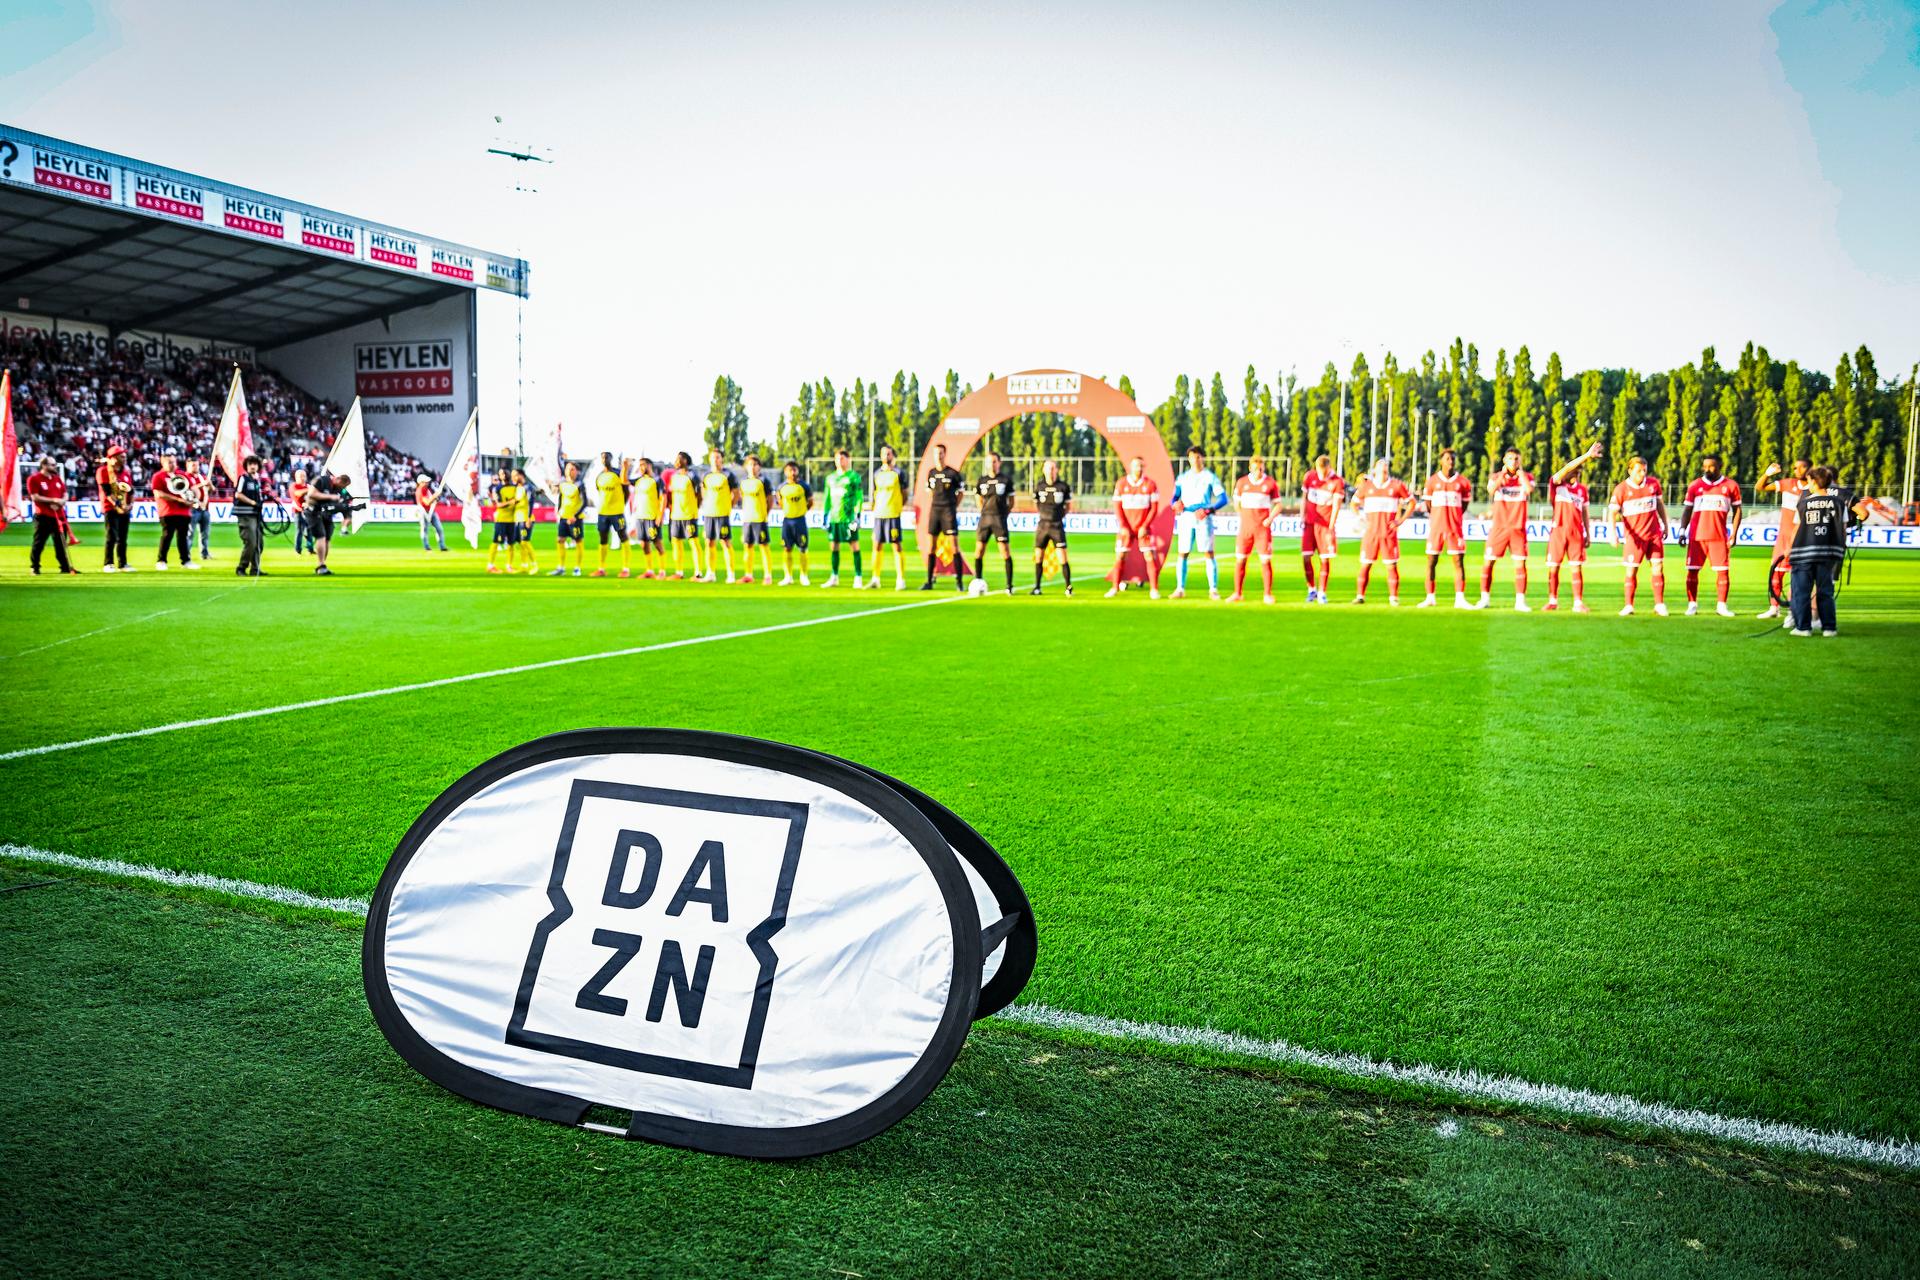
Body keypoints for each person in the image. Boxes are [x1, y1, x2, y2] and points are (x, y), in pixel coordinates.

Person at [1786, 465, 1847, 637]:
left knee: (1801, 591)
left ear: (1813, 481)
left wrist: (1789, 549)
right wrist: (1839, 549)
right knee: (1825, 591)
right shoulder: (1839, 503)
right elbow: (1842, 530)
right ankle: (1829, 628)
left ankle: (1803, 627)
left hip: (1803, 553)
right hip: (1828, 553)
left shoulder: (1803, 503)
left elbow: (1796, 529)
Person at [1679, 452, 1741, 617]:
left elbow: (1737, 510)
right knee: (1692, 571)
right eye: (1705, 466)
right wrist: (1682, 531)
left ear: (1720, 466)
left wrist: (1734, 533)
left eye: (1711, 466)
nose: (1707, 469)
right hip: (1696, 536)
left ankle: (1721, 606)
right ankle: (1692, 605)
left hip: (1719, 536)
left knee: (1723, 571)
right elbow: (1687, 510)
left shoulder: (1731, 486)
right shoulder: (1695, 486)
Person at [1544, 442, 1603, 612]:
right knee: (1554, 566)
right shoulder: (1556, 485)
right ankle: (1553, 601)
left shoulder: (1582, 490)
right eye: (1571, 469)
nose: (1573, 472)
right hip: (1558, 531)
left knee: (1576, 567)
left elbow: (1585, 513)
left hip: (1576, 533)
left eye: (1576, 470)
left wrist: (1588, 534)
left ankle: (1578, 603)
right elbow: (1564, 470)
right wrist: (1587, 456)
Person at [1606, 455, 1669, 617]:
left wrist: (1666, 525)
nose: (1642, 474)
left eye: (1644, 471)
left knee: (1658, 567)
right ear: (1630, 471)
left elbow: (1660, 505)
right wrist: (1612, 533)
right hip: (1634, 538)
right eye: (1639, 471)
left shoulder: (1653, 484)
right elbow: (1612, 513)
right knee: (1631, 570)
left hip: (1654, 535)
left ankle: (1659, 604)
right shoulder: (1621, 489)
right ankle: (1629, 605)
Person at [1352, 457, 1415, 605]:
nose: (1383, 470)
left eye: (1386, 468)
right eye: (1381, 468)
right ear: (1375, 470)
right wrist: (1361, 517)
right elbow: (1354, 503)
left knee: (1391, 565)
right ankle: (1360, 596)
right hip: (1371, 533)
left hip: (1388, 534)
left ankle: (1393, 598)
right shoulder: (1366, 486)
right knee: (1366, 564)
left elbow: (1412, 502)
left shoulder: (1396, 485)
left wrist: (1400, 520)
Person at [1477, 448, 1533, 611]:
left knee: (1520, 564)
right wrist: (1502, 475)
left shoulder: (1526, 477)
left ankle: (1520, 602)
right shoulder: (1496, 477)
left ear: (1520, 461)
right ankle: (1484, 599)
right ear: (1504, 460)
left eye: (1516, 459)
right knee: (1488, 562)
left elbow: (1529, 490)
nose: (1513, 462)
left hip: (1517, 528)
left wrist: (1520, 474)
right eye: (1510, 459)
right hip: (1499, 528)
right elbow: (1491, 490)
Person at [1169, 445, 1227, 600]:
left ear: (1203, 458)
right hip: (1186, 516)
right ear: (1188, 459)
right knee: (1183, 552)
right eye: (1192, 457)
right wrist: (1174, 504)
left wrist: (1209, 510)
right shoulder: (1183, 477)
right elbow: (1174, 497)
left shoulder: (1210, 477)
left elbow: (1223, 498)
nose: (1195, 460)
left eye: (1198, 457)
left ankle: (1213, 589)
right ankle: (1180, 588)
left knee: (1208, 552)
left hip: (1203, 518)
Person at [1417, 448, 1473, 608]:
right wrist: (1437, 516)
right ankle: (1430, 597)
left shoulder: (1463, 482)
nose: (1451, 461)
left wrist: (1454, 517)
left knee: (1458, 562)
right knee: (1431, 561)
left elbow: (1464, 505)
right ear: (1441, 461)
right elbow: (1428, 505)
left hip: (1455, 529)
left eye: (1453, 458)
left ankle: (1460, 599)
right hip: (1436, 528)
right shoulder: (1432, 481)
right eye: (1448, 458)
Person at [1755, 458, 1809, 620]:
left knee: (1797, 576)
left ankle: (1793, 610)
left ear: (1810, 469)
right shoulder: (1787, 483)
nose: (1797, 470)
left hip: (1802, 539)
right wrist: (1767, 474)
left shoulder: (1814, 489)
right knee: (1776, 574)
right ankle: (1774, 607)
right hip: (1784, 537)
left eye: (1801, 467)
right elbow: (1760, 487)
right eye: (1795, 467)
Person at [1105, 455, 1163, 599]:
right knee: (1120, 555)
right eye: (1137, 465)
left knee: (1149, 555)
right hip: (1127, 528)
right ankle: (1114, 588)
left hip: (1143, 528)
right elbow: (1117, 507)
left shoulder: (1150, 485)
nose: (1139, 468)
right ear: (1131, 467)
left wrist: (1145, 526)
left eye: (1142, 466)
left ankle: (1154, 590)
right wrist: (1123, 526)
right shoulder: (1121, 484)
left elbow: (1154, 509)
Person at [1229, 456, 1280, 604]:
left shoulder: (1270, 483)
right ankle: (1237, 593)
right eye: (1256, 468)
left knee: (1265, 560)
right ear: (1250, 468)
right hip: (1245, 529)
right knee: (1240, 559)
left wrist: (1270, 519)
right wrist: (1243, 516)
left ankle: (1267, 594)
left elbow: (1278, 505)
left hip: (1262, 530)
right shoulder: (1242, 482)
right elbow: (1236, 504)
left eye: (1261, 469)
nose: (1259, 471)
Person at [1299, 453, 1344, 604]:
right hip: (1309, 523)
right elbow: (1304, 498)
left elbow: (1336, 505)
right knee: (1306, 557)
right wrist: (1302, 516)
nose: (1321, 475)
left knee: (1324, 558)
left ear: (1328, 468)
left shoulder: (1337, 481)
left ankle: (1322, 592)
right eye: (1319, 471)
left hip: (1325, 526)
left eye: (1323, 472)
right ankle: (1311, 589)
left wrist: (1331, 526)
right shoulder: (1309, 477)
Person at [864, 445, 908, 590]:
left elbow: (905, 493)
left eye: (888, 454)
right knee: (876, 545)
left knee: (896, 546)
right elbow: (874, 493)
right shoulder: (876, 474)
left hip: (893, 514)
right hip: (879, 514)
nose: (886, 456)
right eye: (884, 453)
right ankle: (875, 578)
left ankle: (900, 579)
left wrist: (898, 506)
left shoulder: (899, 473)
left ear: (892, 456)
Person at [972, 449, 1015, 596]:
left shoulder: (1006, 480)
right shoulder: (982, 480)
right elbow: (978, 498)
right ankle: (978, 581)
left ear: (999, 463)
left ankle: (1009, 585)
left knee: (1005, 551)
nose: (992, 464)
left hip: (999, 520)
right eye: (989, 462)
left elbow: (1011, 501)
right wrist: (983, 510)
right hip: (985, 519)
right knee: (979, 551)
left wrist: (1004, 513)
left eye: (994, 461)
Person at [27, 457, 78, 576]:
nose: (55, 466)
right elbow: (35, 497)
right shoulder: (34, 479)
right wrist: (53, 500)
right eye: (52, 464)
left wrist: (62, 501)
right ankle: (35, 567)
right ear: (44, 465)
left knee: (61, 543)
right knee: (39, 543)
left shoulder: (57, 479)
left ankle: (65, 567)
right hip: (43, 516)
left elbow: (65, 493)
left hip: (59, 516)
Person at [821, 448, 863, 588]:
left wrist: (857, 515)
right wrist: (825, 516)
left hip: (849, 518)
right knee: (834, 546)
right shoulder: (830, 478)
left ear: (848, 460)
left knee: (854, 546)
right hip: (834, 518)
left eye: (842, 458)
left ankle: (858, 577)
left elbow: (859, 497)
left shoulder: (854, 477)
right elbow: (827, 498)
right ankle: (834, 577)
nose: (840, 461)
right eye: (837, 459)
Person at [1032, 458, 1074, 596]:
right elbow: (1036, 504)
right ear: (1043, 470)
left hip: (1056, 526)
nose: (1050, 471)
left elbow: (1068, 506)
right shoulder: (1039, 486)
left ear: (1056, 470)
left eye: (1052, 468)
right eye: (1047, 468)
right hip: (1042, 526)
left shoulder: (1063, 487)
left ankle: (1068, 587)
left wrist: (1059, 516)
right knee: (1038, 557)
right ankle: (1037, 587)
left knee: (1063, 558)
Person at [152, 452, 197, 570]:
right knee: (167, 536)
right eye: (170, 462)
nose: (173, 464)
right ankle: (161, 560)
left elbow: (192, 488)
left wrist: (193, 498)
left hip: (184, 512)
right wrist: (179, 500)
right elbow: (158, 493)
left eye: (174, 462)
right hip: (167, 511)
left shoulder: (182, 475)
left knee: (183, 537)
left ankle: (186, 561)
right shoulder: (158, 476)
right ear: (163, 463)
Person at [699, 448, 738, 583]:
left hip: (722, 514)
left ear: (722, 459)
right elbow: (703, 492)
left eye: (718, 457)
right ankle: (710, 573)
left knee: (725, 542)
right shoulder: (706, 476)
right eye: (713, 457)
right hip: (709, 514)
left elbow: (736, 493)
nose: (715, 460)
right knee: (709, 542)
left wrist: (729, 505)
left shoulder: (728, 475)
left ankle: (731, 574)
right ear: (709, 460)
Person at [95, 445, 133, 573]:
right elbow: (107, 492)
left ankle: (123, 563)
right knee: (111, 536)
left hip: (124, 508)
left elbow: (131, 491)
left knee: (123, 538)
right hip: (110, 508)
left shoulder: (126, 472)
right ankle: (109, 563)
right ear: (113, 458)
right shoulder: (103, 471)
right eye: (122, 456)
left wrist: (130, 505)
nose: (125, 458)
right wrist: (117, 505)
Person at [738, 454, 774, 585]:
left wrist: (765, 514)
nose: (752, 467)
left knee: (764, 546)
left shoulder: (764, 481)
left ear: (759, 467)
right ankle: (748, 575)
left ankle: (768, 575)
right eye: (750, 465)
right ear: (746, 467)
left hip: (760, 519)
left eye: (755, 465)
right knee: (747, 546)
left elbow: (770, 500)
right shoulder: (743, 482)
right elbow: (742, 498)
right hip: (747, 519)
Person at [666, 450, 703, 579]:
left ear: (685, 461)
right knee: (676, 542)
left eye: (678, 459)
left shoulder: (692, 476)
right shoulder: (674, 477)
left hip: (689, 515)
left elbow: (699, 495)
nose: (676, 462)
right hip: (676, 515)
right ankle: (679, 572)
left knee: (693, 542)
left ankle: (698, 572)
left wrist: (695, 508)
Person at [593, 452, 630, 578]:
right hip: (603, 512)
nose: (604, 459)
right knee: (603, 539)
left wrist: (621, 505)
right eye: (602, 457)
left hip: (617, 513)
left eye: (606, 457)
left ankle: (625, 568)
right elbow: (599, 491)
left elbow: (626, 491)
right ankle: (601, 568)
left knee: (623, 537)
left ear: (611, 459)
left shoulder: (618, 473)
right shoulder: (600, 476)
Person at [776, 461, 813, 585]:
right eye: (789, 470)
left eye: (794, 470)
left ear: (798, 471)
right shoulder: (781, 487)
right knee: (787, 548)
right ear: (785, 472)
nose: (792, 473)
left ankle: (804, 576)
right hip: (787, 521)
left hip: (800, 520)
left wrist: (802, 511)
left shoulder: (804, 486)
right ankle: (788, 576)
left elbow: (810, 502)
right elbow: (780, 502)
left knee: (803, 548)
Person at [628, 457, 665, 579]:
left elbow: (663, 498)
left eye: (643, 465)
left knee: (657, 543)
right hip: (640, 517)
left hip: (652, 517)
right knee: (643, 544)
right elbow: (624, 481)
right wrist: (625, 467)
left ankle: (662, 570)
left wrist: (660, 515)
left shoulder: (657, 480)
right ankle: (649, 570)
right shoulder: (638, 480)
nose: (641, 467)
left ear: (649, 465)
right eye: (640, 465)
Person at [551, 460, 588, 577]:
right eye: (567, 468)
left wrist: (575, 516)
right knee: (560, 540)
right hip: (564, 517)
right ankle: (561, 567)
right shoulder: (563, 483)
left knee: (578, 541)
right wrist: (559, 510)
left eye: (572, 469)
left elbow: (585, 502)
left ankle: (577, 568)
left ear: (577, 471)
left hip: (575, 519)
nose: (569, 471)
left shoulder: (579, 485)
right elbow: (561, 497)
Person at [232, 453, 266, 577]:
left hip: (255, 515)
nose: (252, 466)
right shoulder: (244, 478)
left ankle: (255, 568)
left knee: (259, 543)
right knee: (251, 542)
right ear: (246, 466)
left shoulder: (256, 480)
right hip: (245, 514)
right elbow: (238, 494)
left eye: (255, 464)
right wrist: (252, 502)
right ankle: (241, 567)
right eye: (250, 464)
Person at [302, 472, 341, 576]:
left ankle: (322, 564)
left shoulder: (336, 488)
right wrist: (331, 497)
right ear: (338, 479)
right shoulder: (321, 480)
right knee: (321, 537)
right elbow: (311, 494)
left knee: (327, 538)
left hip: (326, 513)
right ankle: (321, 565)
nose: (342, 488)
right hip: (313, 512)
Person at [486, 472, 521, 574]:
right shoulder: (497, 488)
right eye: (502, 473)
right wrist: (510, 502)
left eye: (505, 473)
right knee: (496, 542)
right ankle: (490, 565)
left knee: (511, 543)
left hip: (512, 519)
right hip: (501, 519)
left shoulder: (515, 487)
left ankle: (509, 566)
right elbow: (498, 504)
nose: (504, 475)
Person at [184, 458, 214, 560]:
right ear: (187, 466)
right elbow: (189, 489)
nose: (196, 467)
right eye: (193, 465)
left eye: (197, 465)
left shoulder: (202, 477)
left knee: (205, 533)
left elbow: (212, 490)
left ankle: (204, 553)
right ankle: (186, 554)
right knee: (190, 533)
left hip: (205, 508)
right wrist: (203, 484)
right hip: (192, 508)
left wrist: (210, 484)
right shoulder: (186, 477)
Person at [512, 469, 539, 575]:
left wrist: (528, 518)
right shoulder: (517, 488)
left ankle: (535, 565)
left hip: (525, 519)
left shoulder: (528, 487)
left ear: (521, 475)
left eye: (515, 475)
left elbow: (530, 502)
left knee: (525, 542)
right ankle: (524, 565)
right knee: (519, 542)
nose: (513, 477)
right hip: (517, 519)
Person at [416, 472, 448, 551]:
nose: (427, 483)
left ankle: (442, 546)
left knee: (439, 528)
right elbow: (427, 502)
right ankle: (426, 547)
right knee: (425, 529)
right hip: (423, 512)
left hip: (431, 511)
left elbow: (432, 500)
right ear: (420, 482)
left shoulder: (427, 490)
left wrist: (436, 497)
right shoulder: (419, 491)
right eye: (425, 482)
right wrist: (435, 495)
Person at [291, 468, 313, 556]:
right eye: (300, 476)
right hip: (298, 511)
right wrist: (310, 489)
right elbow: (297, 493)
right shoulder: (294, 486)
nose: (302, 478)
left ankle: (310, 549)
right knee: (299, 531)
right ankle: (298, 550)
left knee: (309, 530)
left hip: (308, 511)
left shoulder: (308, 486)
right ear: (296, 477)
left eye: (304, 476)